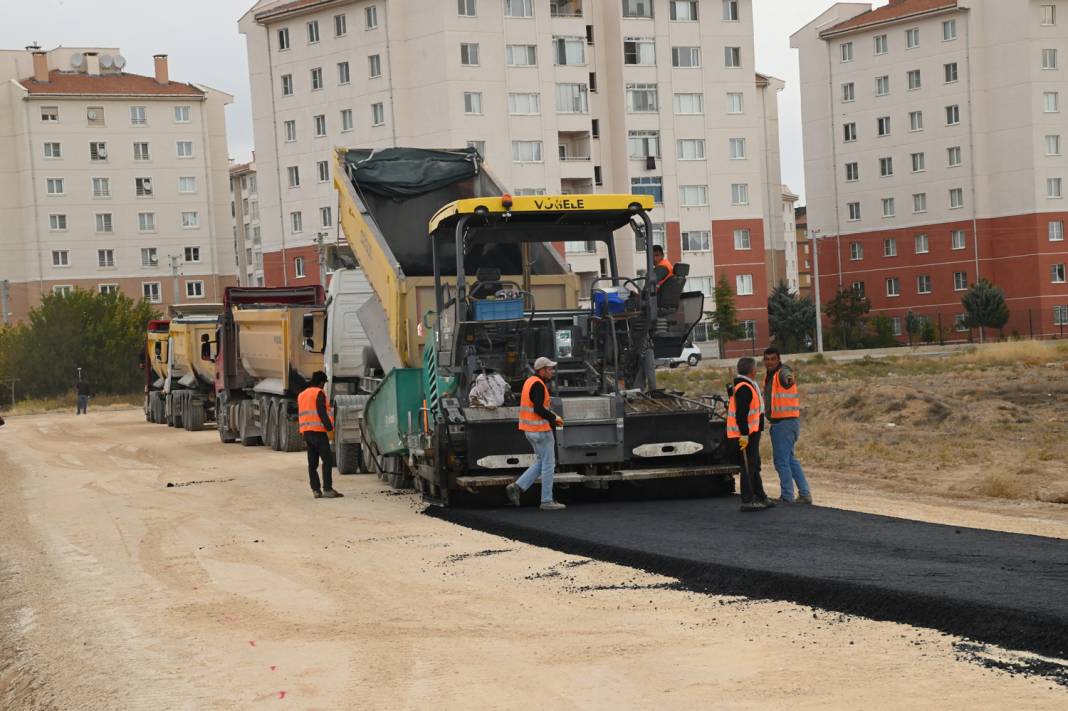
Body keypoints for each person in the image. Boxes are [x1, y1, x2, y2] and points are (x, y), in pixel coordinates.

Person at [505, 357, 566, 511]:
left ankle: (517, 487)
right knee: (548, 465)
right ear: (542, 370)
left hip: (529, 431)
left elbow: (534, 407)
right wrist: (554, 417)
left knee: (540, 463)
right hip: (541, 432)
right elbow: (538, 408)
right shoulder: (538, 385)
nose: (552, 371)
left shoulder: (529, 382)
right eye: (550, 369)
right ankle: (546, 501)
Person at [763, 347, 813, 504]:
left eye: (773, 359)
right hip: (788, 423)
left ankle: (787, 496)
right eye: (767, 359)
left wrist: (789, 378)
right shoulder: (770, 376)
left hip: (784, 423)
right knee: (790, 460)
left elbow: (788, 378)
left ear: (778, 360)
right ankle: (804, 494)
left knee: (781, 461)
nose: (770, 362)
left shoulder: (782, 372)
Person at [727, 357, 775, 512]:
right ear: (751, 370)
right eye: (755, 367)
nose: (757, 370)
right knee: (748, 466)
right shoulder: (744, 388)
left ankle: (760, 496)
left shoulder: (747, 384)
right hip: (747, 433)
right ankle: (747, 500)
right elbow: (741, 414)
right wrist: (744, 434)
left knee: (755, 464)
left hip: (753, 431)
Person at [298, 371, 343, 499]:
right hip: (318, 432)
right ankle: (328, 489)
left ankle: (316, 490)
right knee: (327, 460)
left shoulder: (302, 395)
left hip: (306, 432)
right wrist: (330, 428)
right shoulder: (318, 393)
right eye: (324, 383)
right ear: (321, 382)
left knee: (312, 463)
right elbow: (321, 412)